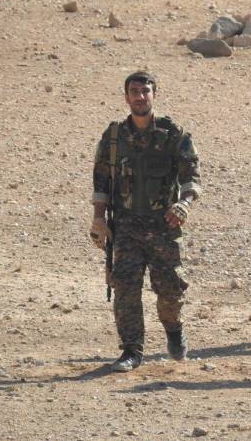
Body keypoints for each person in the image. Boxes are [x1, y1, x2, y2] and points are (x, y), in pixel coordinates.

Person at [90, 71, 201, 372]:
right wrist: (99, 219)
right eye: (134, 91)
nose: (140, 96)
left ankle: (174, 330)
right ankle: (131, 350)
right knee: (125, 288)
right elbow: (101, 180)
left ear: (154, 94)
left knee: (170, 290)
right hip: (125, 226)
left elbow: (191, 177)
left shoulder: (173, 135)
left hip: (164, 225)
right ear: (126, 97)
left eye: (145, 91)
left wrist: (184, 203)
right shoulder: (114, 137)